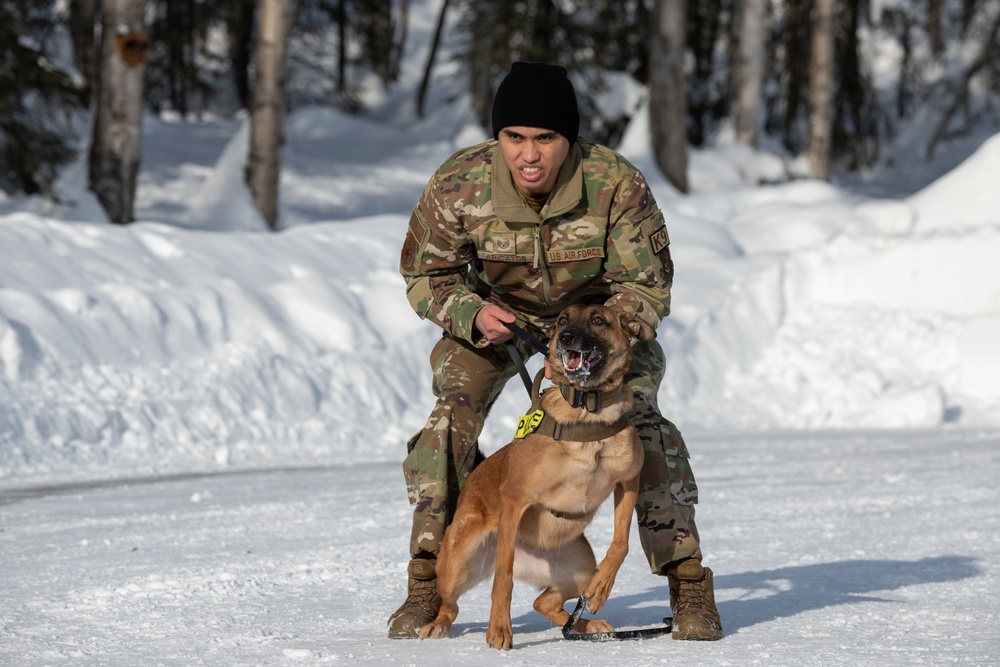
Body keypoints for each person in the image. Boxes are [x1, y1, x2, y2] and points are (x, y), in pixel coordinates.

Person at [389, 61, 722, 641]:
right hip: (498, 326)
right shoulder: (459, 183)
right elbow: (425, 274)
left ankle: (688, 580)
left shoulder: (615, 182)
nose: (529, 153)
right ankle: (428, 583)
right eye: (514, 138)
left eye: (546, 137)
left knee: (642, 422)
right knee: (449, 419)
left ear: (569, 140)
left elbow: (645, 287)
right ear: (499, 139)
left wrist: (589, 344)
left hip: (597, 328)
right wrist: (471, 313)